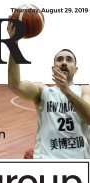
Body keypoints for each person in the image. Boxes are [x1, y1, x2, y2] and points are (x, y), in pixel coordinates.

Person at [7, 28, 90, 158]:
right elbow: (15, 84)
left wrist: (67, 91)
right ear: (53, 68)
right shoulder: (43, 91)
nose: (64, 62)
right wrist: (14, 43)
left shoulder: (85, 90)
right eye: (60, 59)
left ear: (76, 69)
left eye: (69, 60)